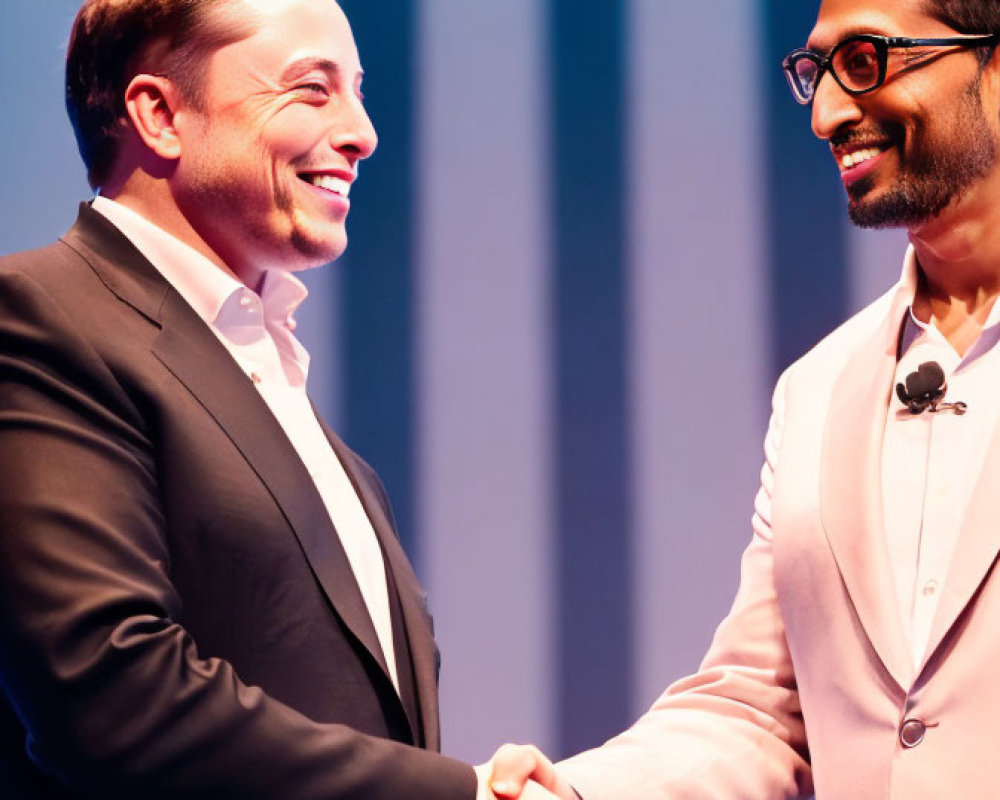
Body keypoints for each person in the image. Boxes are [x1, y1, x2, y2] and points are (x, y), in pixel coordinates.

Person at [0, 1, 554, 798]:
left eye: (357, 90)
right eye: (312, 89)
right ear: (159, 114)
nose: (362, 131)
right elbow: (111, 696)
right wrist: (457, 794)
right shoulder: (39, 318)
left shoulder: (311, 427)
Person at [485, 0, 1000, 797]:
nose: (827, 113)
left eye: (865, 60)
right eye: (816, 71)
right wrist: (575, 794)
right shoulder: (819, 387)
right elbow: (763, 709)